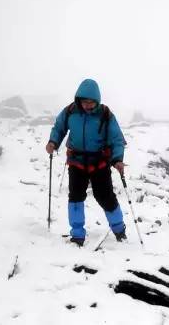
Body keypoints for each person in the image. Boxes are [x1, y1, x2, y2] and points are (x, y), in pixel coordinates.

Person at [45, 79, 127, 246]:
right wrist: (53, 142)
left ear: (97, 100)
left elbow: (117, 138)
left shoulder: (105, 114)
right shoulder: (70, 111)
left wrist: (117, 159)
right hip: (77, 162)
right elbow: (59, 127)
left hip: (100, 163)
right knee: (75, 197)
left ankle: (119, 230)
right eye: (84, 102)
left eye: (91, 102)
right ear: (79, 100)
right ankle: (77, 235)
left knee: (105, 197)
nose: (88, 105)